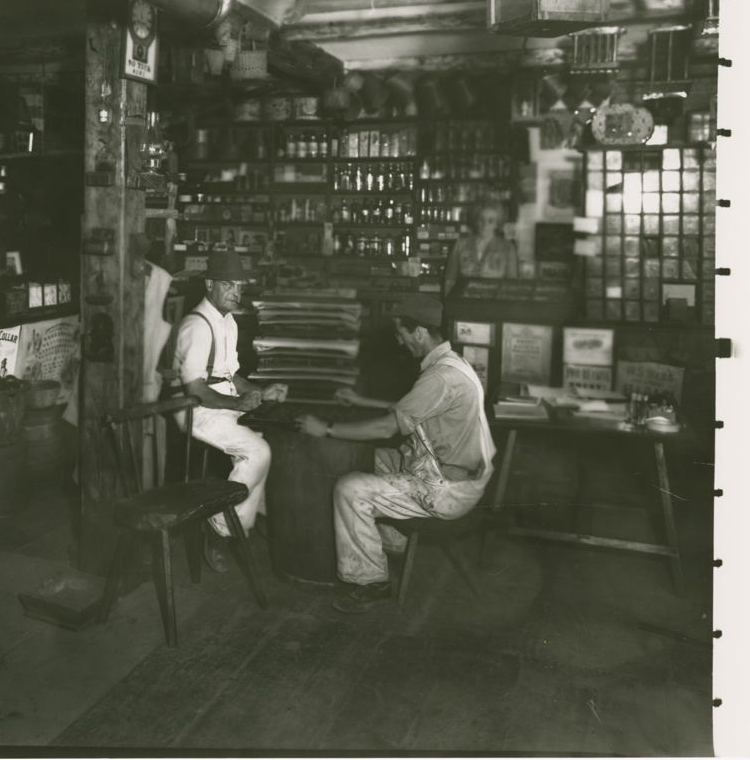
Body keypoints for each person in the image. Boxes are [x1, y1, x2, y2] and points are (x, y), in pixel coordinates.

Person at [294, 294, 496, 613]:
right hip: (448, 472)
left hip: (447, 490)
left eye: (402, 335)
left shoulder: (440, 377)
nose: (401, 343)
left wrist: (326, 429)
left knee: (350, 488)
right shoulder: (452, 364)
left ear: (419, 333)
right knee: (361, 458)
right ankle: (390, 542)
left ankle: (371, 580)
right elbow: (412, 409)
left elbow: (388, 428)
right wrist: (359, 401)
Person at [174, 250, 287, 572]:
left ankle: (252, 514)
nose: (236, 292)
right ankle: (220, 530)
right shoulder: (196, 326)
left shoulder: (228, 321)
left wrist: (258, 392)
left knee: (269, 436)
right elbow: (195, 389)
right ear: (209, 284)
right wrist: (238, 404)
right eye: (228, 285)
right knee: (257, 451)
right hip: (193, 410)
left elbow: (228, 375)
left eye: (239, 286)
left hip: (219, 403)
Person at [443, 202, 518, 296]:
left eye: (490, 221)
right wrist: (450, 304)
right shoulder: (460, 245)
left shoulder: (507, 248)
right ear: (475, 221)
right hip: (464, 303)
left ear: (497, 224)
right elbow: (450, 279)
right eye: (481, 220)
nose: (485, 225)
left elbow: (512, 284)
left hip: (494, 304)